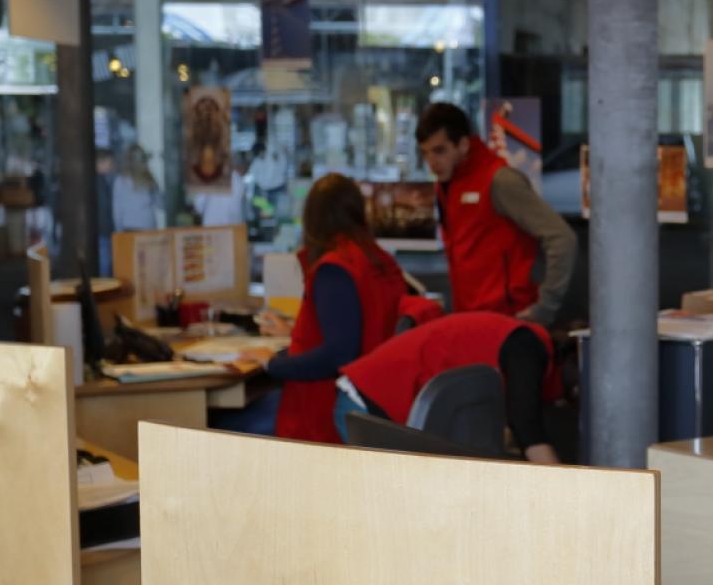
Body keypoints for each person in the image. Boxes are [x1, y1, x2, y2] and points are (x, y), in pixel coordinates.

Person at [230, 174, 406, 442]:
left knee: (225, 424)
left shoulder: (335, 269)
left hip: (322, 414)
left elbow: (337, 354)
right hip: (375, 401)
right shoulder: (377, 260)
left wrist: (272, 363)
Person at [415, 103, 576, 325]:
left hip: (508, 324)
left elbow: (562, 238)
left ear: (463, 144)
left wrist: (544, 309)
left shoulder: (499, 181)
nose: (431, 163)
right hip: (472, 323)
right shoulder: (447, 185)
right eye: (425, 153)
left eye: (439, 150)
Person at [332, 311, 563, 463]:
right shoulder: (527, 346)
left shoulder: (514, 339)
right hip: (369, 400)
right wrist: (566, 497)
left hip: (371, 394)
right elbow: (528, 431)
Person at [110, 144, 161, 232]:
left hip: (128, 227)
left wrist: (118, 230)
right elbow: (160, 203)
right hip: (148, 225)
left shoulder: (120, 181)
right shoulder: (148, 179)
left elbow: (117, 209)